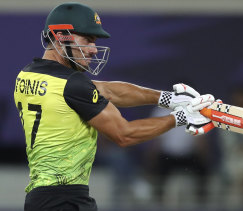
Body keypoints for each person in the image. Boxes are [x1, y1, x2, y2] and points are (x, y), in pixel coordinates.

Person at [13, 2, 214, 211]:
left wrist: (168, 99)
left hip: (38, 199)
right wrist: (181, 118)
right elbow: (124, 134)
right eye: (87, 40)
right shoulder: (73, 84)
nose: (92, 50)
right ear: (60, 36)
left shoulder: (28, 74)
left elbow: (108, 90)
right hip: (66, 200)